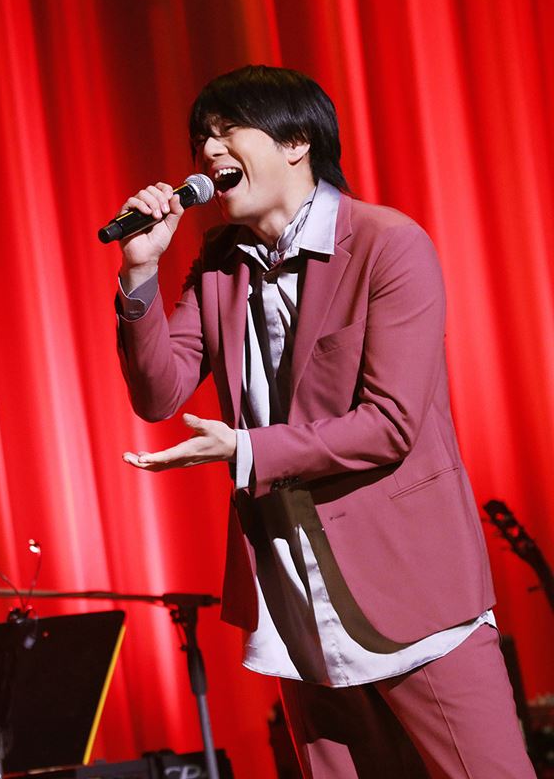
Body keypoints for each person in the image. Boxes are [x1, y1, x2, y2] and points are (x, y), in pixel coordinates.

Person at [114, 65, 534, 777]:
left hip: (411, 590)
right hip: (297, 603)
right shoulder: (220, 265)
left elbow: (391, 423)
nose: (208, 151)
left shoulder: (386, 244)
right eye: (201, 138)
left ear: (296, 142)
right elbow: (160, 393)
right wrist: (139, 274)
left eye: (228, 130)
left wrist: (247, 450)